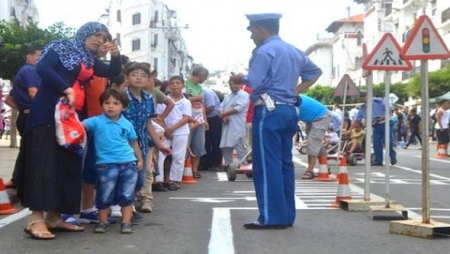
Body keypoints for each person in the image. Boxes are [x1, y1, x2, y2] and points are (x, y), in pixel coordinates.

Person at [22, 22, 122, 240]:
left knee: (68, 167)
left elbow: (112, 71)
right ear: (83, 33)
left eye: (104, 37)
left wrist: (115, 55)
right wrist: (66, 88)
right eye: (96, 34)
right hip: (48, 113)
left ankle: (55, 218)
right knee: (44, 165)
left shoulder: (88, 58)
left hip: (71, 119)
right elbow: (43, 68)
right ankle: (36, 219)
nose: (100, 40)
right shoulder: (62, 46)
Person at [231, 13, 322, 229]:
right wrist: (293, 91)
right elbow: (314, 72)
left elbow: (253, 80)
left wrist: (239, 77)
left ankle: (271, 217)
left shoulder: (264, 51)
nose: (251, 36)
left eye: (252, 31)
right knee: (284, 164)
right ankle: (286, 215)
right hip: (289, 109)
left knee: (265, 164)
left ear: (261, 29)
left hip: (269, 110)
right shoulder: (294, 50)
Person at [82, 88, 143, 234]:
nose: (110, 106)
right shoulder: (96, 122)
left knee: (127, 194)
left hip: (129, 162)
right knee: (104, 193)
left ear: (123, 107)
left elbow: (133, 143)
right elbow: (79, 125)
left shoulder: (127, 124)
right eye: (106, 103)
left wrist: (139, 159)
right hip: (106, 164)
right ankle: (102, 222)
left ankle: (126, 222)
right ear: (101, 105)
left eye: (116, 103)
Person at [122, 62, 172, 214]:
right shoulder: (121, 96)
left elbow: (148, 124)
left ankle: (133, 202)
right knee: (125, 177)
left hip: (143, 143)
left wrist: (160, 144)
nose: (139, 78)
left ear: (148, 79)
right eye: (134, 74)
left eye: (143, 75)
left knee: (140, 178)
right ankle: (126, 210)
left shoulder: (149, 99)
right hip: (123, 144)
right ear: (127, 77)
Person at [3, 46, 42, 190]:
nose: (41, 59)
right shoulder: (31, 70)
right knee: (34, 150)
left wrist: (23, 109)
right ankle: (30, 185)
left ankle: (17, 180)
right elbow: (34, 93)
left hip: (25, 116)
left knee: (26, 149)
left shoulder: (23, 72)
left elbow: (8, 99)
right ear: (29, 57)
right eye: (39, 55)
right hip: (32, 117)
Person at [155, 76, 191, 190]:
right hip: (164, 131)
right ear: (169, 86)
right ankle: (158, 179)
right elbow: (158, 117)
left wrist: (172, 129)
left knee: (178, 156)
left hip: (180, 131)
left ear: (183, 86)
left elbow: (186, 118)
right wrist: (166, 129)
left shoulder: (186, 102)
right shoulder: (164, 100)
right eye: (172, 83)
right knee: (161, 155)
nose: (175, 85)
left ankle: (174, 180)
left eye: (178, 83)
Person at [355, 90, 397, 166]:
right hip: (376, 126)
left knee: (387, 141)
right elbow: (357, 120)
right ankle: (378, 160)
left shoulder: (378, 101)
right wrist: (349, 130)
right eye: (361, 96)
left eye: (364, 96)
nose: (363, 98)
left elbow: (390, 110)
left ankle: (393, 156)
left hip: (386, 123)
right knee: (376, 143)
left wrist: (383, 117)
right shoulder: (362, 108)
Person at [297, 94, 331, 180]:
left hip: (321, 116)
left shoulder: (291, 98)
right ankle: (325, 166)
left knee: (313, 142)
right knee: (316, 143)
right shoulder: (290, 95)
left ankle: (310, 170)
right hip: (311, 119)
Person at [219, 78, 250, 169]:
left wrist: (223, 114)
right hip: (227, 124)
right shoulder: (227, 96)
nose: (233, 86)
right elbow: (221, 107)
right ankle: (228, 164)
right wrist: (223, 116)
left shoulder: (244, 95)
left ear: (240, 84)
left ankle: (243, 163)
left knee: (239, 144)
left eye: (235, 84)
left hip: (238, 124)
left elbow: (238, 108)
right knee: (225, 145)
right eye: (231, 84)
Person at [185, 67, 209, 179]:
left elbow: (202, 104)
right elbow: (184, 99)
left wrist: (205, 119)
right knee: (185, 144)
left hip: (199, 119)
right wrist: (197, 98)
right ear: (201, 75)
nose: (204, 80)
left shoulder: (199, 88)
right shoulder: (185, 84)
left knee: (199, 145)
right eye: (204, 77)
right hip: (186, 118)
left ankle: (195, 170)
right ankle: (184, 170)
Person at [201, 87, 223, 171]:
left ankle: (216, 163)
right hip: (203, 118)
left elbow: (210, 108)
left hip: (214, 118)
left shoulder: (207, 92)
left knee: (216, 141)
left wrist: (199, 112)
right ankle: (205, 163)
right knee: (205, 141)